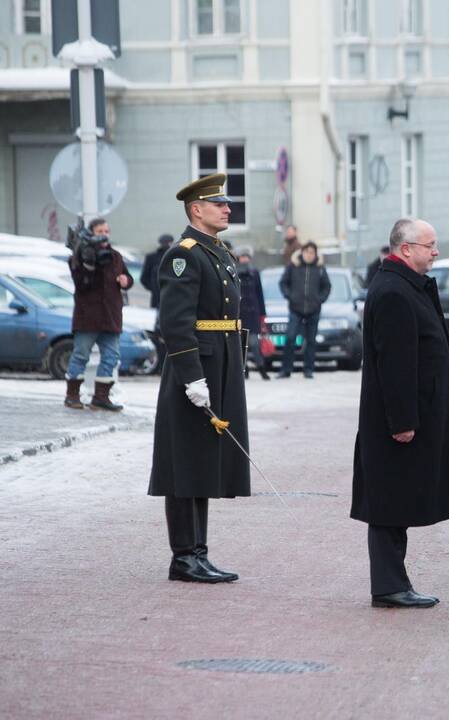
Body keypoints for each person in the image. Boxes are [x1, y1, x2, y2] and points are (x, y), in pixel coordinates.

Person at [351, 218, 449, 608]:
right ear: (406, 249)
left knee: (398, 498)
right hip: (398, 422)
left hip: (409, 416)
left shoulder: (405, 285)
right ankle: (390, 586)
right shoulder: (394, 291)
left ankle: (394, 582)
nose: (436, 251)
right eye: (430, 245)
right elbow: (395, 364)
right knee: (390, 502)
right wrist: (403, 421)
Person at [148, 172, 249, 584]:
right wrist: (191, 376)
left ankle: (199, 553)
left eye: (226, 203)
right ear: (196, 210)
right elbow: (175, 323)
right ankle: (183, 557)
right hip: (195, 371)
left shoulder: (218, 251)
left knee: (205, 460)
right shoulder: (184, 253)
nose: (227, 208)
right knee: (185, 462)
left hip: (220, 367)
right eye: (219, 203)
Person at [63, 218, 133, 412]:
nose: (104, 234)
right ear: (91, 233)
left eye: (106, 231)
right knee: (80, 356)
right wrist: (89, 263)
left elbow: (128, 278)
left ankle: (101, 398)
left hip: (111, 316)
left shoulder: (116, 256)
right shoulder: (79, 256)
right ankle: (72, 396)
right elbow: (81, 284)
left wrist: (126, 280)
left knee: (111, 357)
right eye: (100, 230)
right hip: (88, 317)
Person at [278, 241, 331, 379]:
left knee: (311, 341)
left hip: (314, 309)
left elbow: (327, 286)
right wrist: (289, 296)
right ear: (302, 252)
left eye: (312, 252)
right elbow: (283, 283)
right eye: (307, 252)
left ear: (315, 254)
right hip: (295, 308)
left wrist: (320, 299)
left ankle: (308, 369)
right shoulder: (293, 266)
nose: (309, 255)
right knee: (290, 338)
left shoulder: (320, 268)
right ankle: (286, 369)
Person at [235, 246, 270, 381]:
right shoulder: (235, 272)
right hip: (240, 313)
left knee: (254, 343)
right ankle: (244, 369)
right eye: (242, 257)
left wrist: (263, 314)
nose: (244, 259)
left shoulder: (255, 272)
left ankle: (261, 368)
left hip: (253, 313)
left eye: (246, 257)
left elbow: (259, 293)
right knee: (241, 343)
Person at [140, 233, 173, 310]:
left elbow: (144, 279)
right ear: (170, 243)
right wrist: (154, 288)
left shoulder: (151, 257)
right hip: (169, 298)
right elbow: (144, 279)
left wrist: (153, 288)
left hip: (159, 298)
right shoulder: (174, 257)